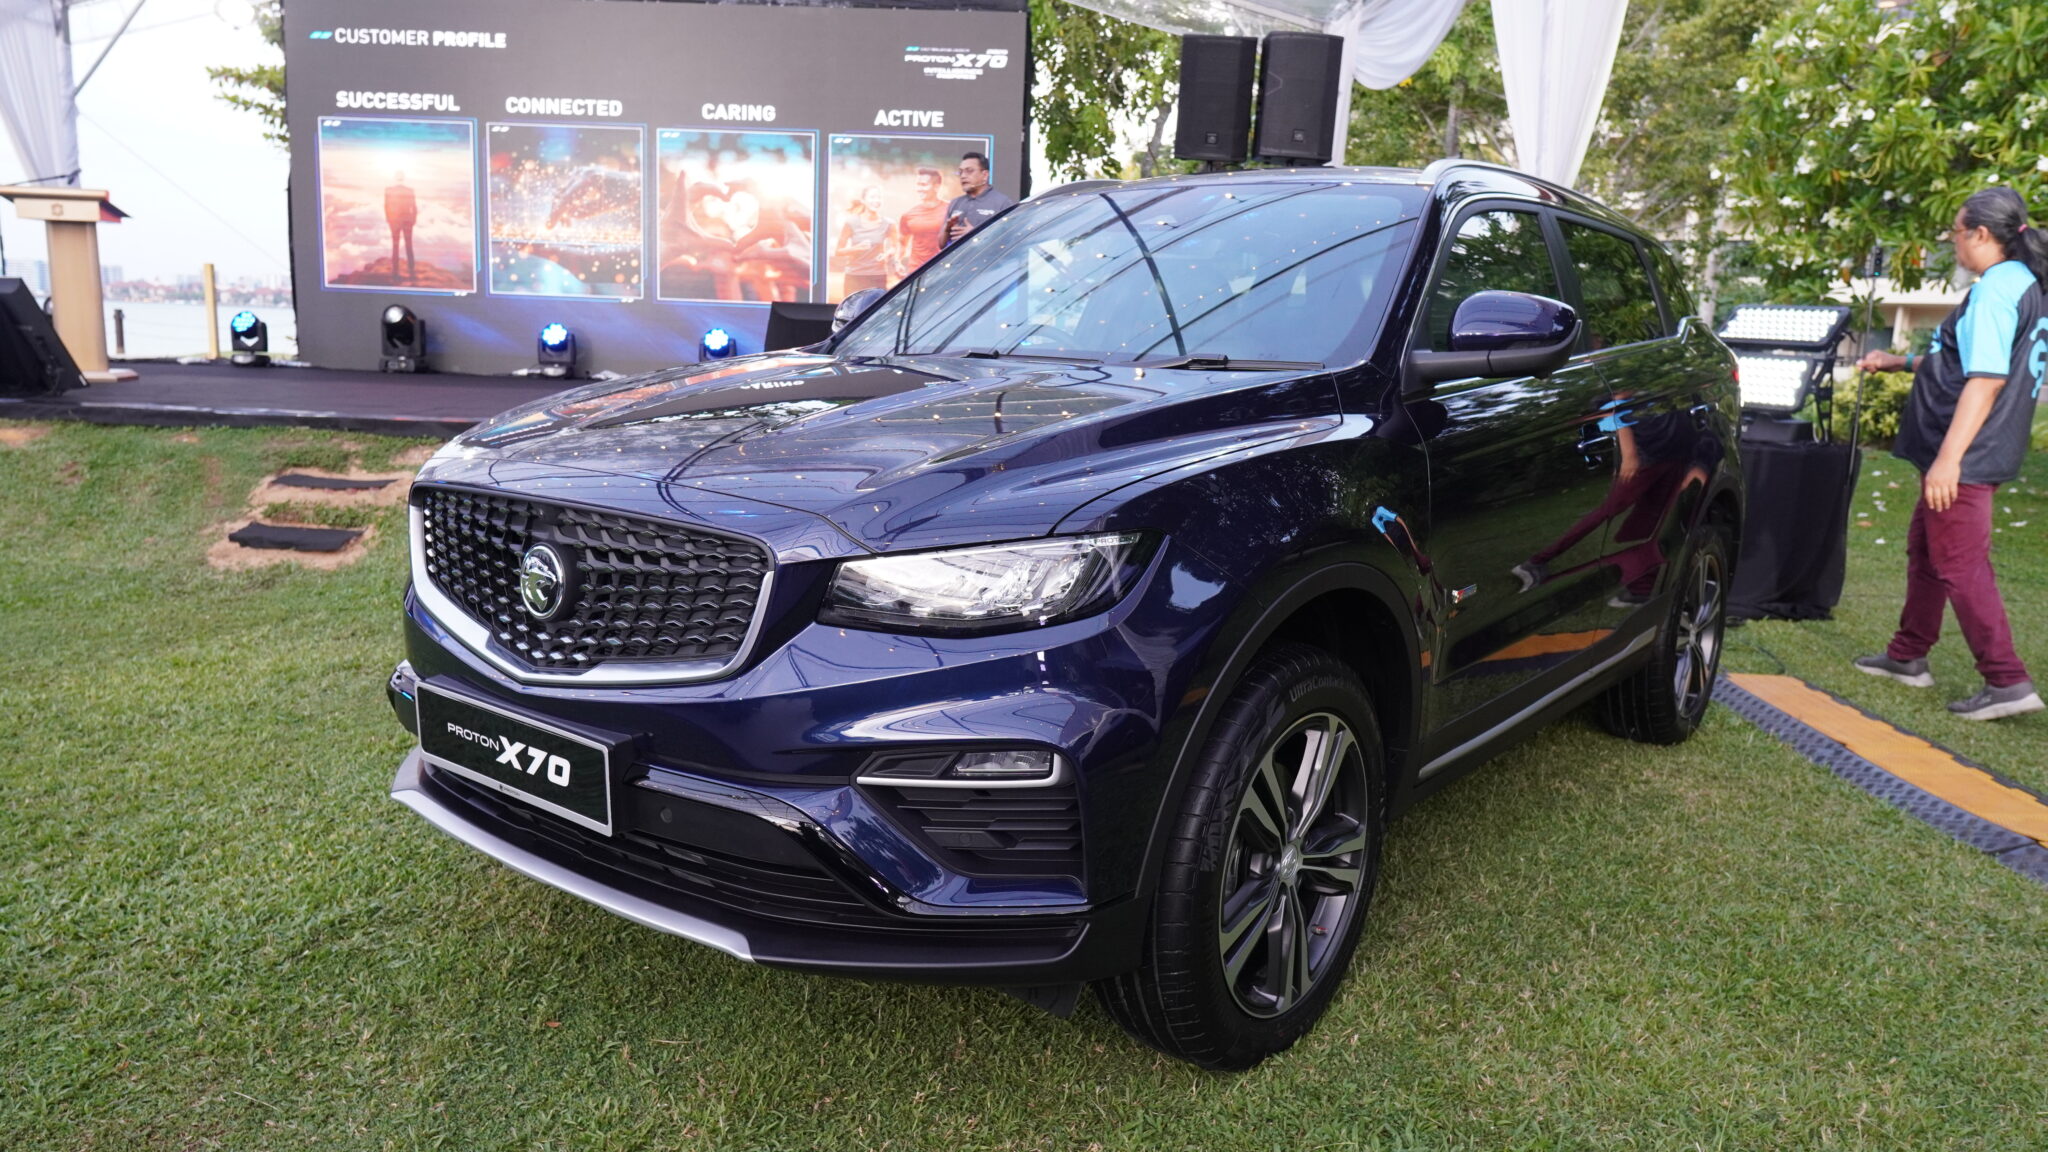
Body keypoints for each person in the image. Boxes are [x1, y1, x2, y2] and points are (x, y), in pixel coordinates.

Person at [1852, 185, 2048, 720]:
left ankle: (2006, 680)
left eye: (1955, 232)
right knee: (1926, 549)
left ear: (1980, 234)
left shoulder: (1996, 291)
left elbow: (1986, 380)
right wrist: (1899, 363)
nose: (1952, 241)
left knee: (1961, 564)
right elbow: (1963, 360)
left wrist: (1949, 460)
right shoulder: (2021, 282)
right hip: (1974, 446)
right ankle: (1907, 655)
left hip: (1967, 451)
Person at [945, 152, 1017, 245]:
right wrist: (946, 229)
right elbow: (941, 244)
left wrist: (975, 235)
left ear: (985, 175)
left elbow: (1009, 240)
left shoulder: (1002, 203)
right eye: (960, 172)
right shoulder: (956, 202)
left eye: (969, 171)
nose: (963, 176)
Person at [835, 186, 895, 296]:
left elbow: (894, 247)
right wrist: (856, 248)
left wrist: (887, 255)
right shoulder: (851, 222)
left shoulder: (889, 223)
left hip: (877, 275)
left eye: (879, 197)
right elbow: (838, 251)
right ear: (863, 200)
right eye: (872, 197)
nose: (876, 200)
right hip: (854, 276)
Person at [896, 167, 950, 273]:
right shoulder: (908, 215)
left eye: (924, 185)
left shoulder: (950, 209)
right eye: (918, 184)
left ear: (936, 186)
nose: (919, 188)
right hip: (916, 270)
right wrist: (898, 261)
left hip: (943, 268)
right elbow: (903, 243)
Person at [384, 171, 417, 283]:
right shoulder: (409, 190)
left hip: (395, 220)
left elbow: (386, 206)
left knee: (396, 246)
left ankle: (395, 271)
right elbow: (414, 207)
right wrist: (413, 219)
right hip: (406, 220)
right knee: (408, 245)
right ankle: (411, 269)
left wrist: (389, 219)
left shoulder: (389, 190)